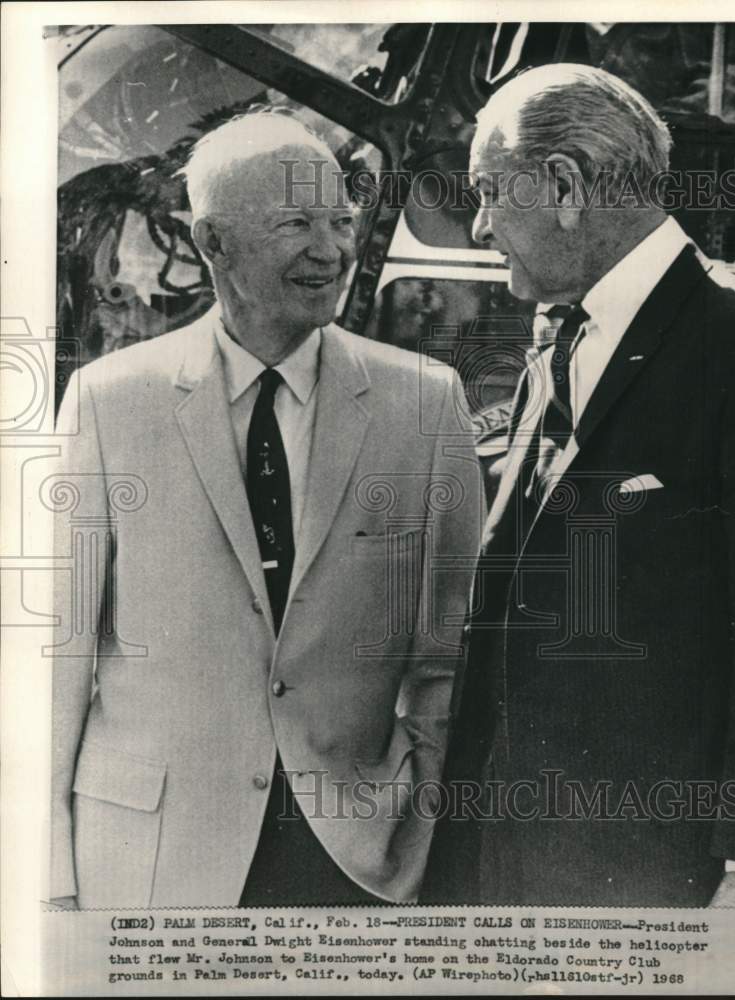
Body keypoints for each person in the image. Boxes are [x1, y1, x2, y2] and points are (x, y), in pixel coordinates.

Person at [48, 110, 483, 909]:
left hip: (357, 865)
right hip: (147, 869)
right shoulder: (110, 402)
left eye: (340, 222)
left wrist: (422, 834)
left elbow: (444, 658)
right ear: (213, 243)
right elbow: (57, 657)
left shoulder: (425, 404)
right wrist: (49, 874)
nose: (332, 250)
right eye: (295, 224)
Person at [423, 64, 735, 908]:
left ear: (566, 185)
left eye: (490, 193)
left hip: (653, 877)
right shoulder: (563, 341)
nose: (480, 223)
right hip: (501, 856)